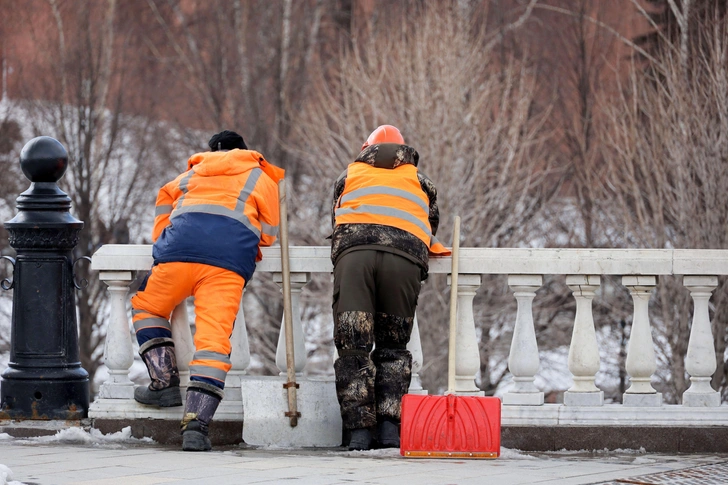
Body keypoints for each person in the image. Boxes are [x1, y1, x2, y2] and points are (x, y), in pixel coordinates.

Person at [130, 130, 283, 451]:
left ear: (211, 151)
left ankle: (164, 382)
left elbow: (162, 207)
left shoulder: (188, 175)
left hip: (177, 254)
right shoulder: (261, 178)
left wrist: (165, 241)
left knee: (148, 306)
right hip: (226, 264)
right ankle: (196, 427)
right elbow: (268, 235)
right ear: (244, 150)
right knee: (213, 343)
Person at [330, 125, 450, 450]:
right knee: (394, 348)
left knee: (354, 346)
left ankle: (357, 434)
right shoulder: (422, 182)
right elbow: (429, 224)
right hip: (404, 261)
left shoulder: (350, 174)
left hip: (356, 259)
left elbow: (337, 217)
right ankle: (388, 431)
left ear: (366, 148)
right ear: (404, 149)